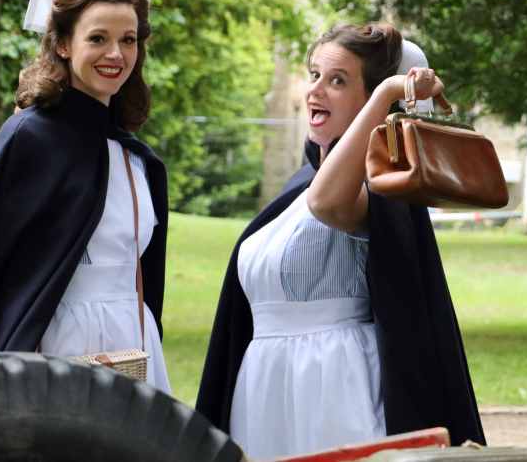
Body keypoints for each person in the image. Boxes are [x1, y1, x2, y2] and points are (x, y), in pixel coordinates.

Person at [196, 23, 484, 458]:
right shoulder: (295, 191)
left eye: (338, 81)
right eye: (314, 75)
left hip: (332, 385)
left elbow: (328, 203)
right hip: (268, 388)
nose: (316, 91)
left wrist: (389, 92)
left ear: (369, 101)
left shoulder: (375, 189)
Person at [0, 0, 171, 392]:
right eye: (97, 38)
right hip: (56, 341)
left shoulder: (134, 157)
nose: (115, 53)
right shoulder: (29, 137)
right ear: (63, 44)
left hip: (133, 345)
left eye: (129, 40)